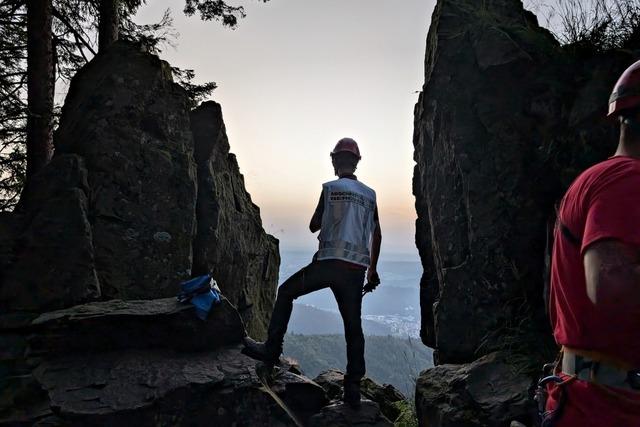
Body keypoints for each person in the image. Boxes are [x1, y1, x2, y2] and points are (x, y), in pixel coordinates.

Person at [242, 137, 382, 408]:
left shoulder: (329, 189)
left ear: (334, 161)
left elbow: (313, 225)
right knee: (354, 327)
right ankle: (352, 390)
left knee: (285, 292)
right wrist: (372, 270)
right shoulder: (370, 195)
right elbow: (377, 233)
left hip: (327, 264)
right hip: (355, 271)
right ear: (356, 162)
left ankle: (270, 352)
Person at [544, 60, 640, 426]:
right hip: (610, 407)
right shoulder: (626, 179)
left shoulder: (598, 179)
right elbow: (612, 284)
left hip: (593, 398)